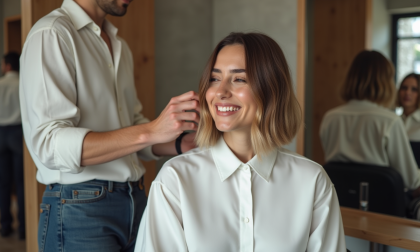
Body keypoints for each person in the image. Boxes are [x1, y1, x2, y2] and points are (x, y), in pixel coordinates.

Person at [20, 0, 198, 251]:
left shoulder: (119, 46)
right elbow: (49, 144)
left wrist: (180, 142)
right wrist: (151, 130)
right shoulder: (52, 34)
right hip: (79, 209)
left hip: (136, 201)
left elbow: (130, 128)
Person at [136, 32, 347, 252]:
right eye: (215, 79)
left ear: (271, 89)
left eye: (239, 79)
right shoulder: (175, 179)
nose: (220, 92)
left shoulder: (312, 180)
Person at [320, 50, 420, 198]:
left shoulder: (330, 117)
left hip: (340, 203)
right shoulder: (390, 121)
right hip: (384, 208)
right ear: (385, 81)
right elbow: (411, 181)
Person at [0, 52, 25, 239]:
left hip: (1, 133)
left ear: (7, 66)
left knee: (4, 183)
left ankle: (6, 226)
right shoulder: (23, 85)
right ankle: (24, 228)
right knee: (21, 182)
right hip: (19, 133)